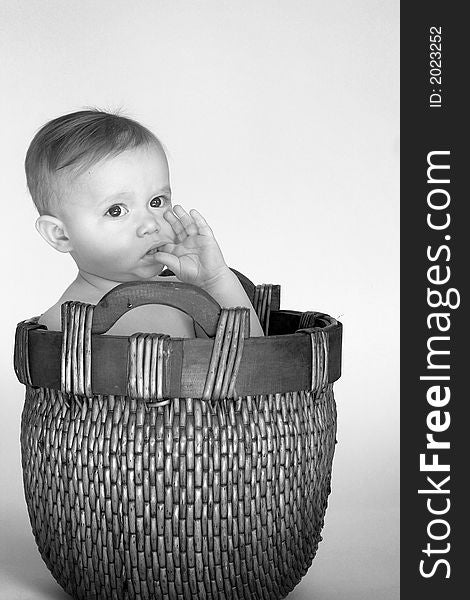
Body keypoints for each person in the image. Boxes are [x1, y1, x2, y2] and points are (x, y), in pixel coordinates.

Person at [25, 109, 264, 337]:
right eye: (116, 210)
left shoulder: (191, 297)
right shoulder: (64, 321)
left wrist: (215, 280)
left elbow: (255, 363)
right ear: (60, 235)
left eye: (157, 201)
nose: (151, 224)